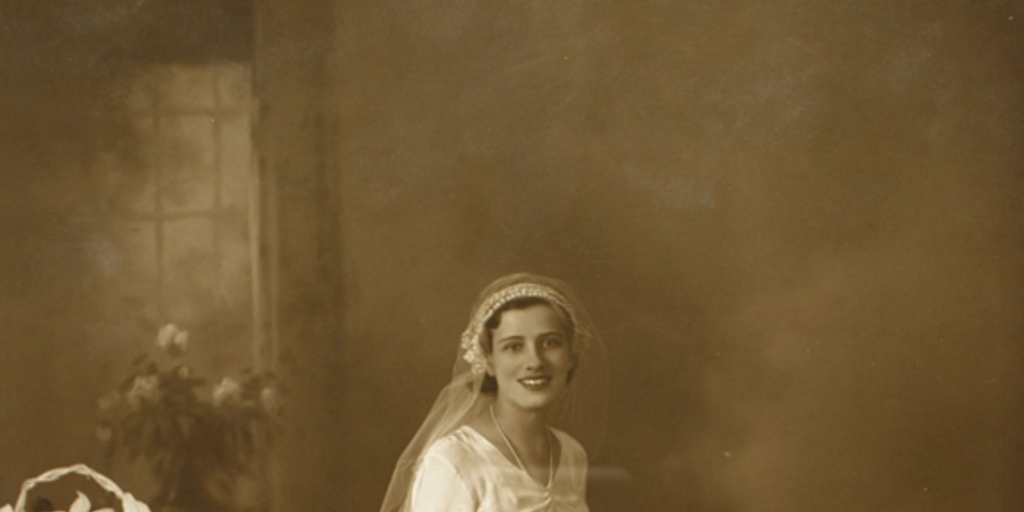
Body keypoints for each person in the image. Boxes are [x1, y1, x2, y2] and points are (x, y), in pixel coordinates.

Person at [380, 273, 608, 512]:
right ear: (488, 360)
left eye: (550, 343)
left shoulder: (572, 454)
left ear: (571, 355)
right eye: (514, 347)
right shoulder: (454, 460)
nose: (535, 361)